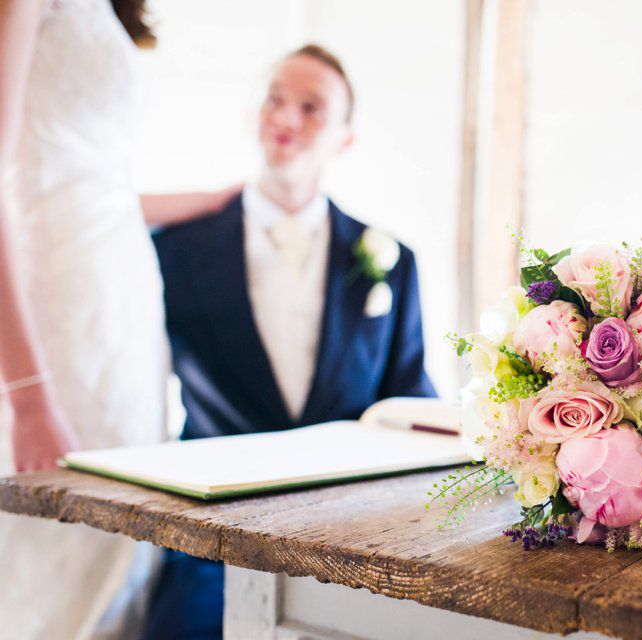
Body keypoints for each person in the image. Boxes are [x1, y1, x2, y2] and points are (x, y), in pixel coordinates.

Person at [141, 44, 436, 639]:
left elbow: (410, 393)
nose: (286, 117)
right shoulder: (174, 248)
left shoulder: (391, 260)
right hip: (207, 529)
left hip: (349, 536)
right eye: (274, 99)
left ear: (345, 138)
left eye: (311, 107)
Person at [0, 1, 238, 638]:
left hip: (122, 303)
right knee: (59, 544)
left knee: (125, 532)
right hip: (56, 310)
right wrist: (25, 394)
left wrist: (214, 201)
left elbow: (93, 181)